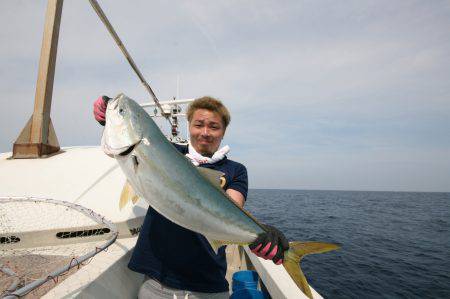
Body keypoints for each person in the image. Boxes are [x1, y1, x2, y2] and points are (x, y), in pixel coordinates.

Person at [93, 95, 289, 298]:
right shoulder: (166, 151)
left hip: (209, 284)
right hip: (157, 280)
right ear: (189, 126)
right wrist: (107, 120)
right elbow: (115, 147)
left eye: (214, 127)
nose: (205, 132)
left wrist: (259, 234)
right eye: (199, 125)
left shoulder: (235, 170)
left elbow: (233, 207)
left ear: (223, 132)